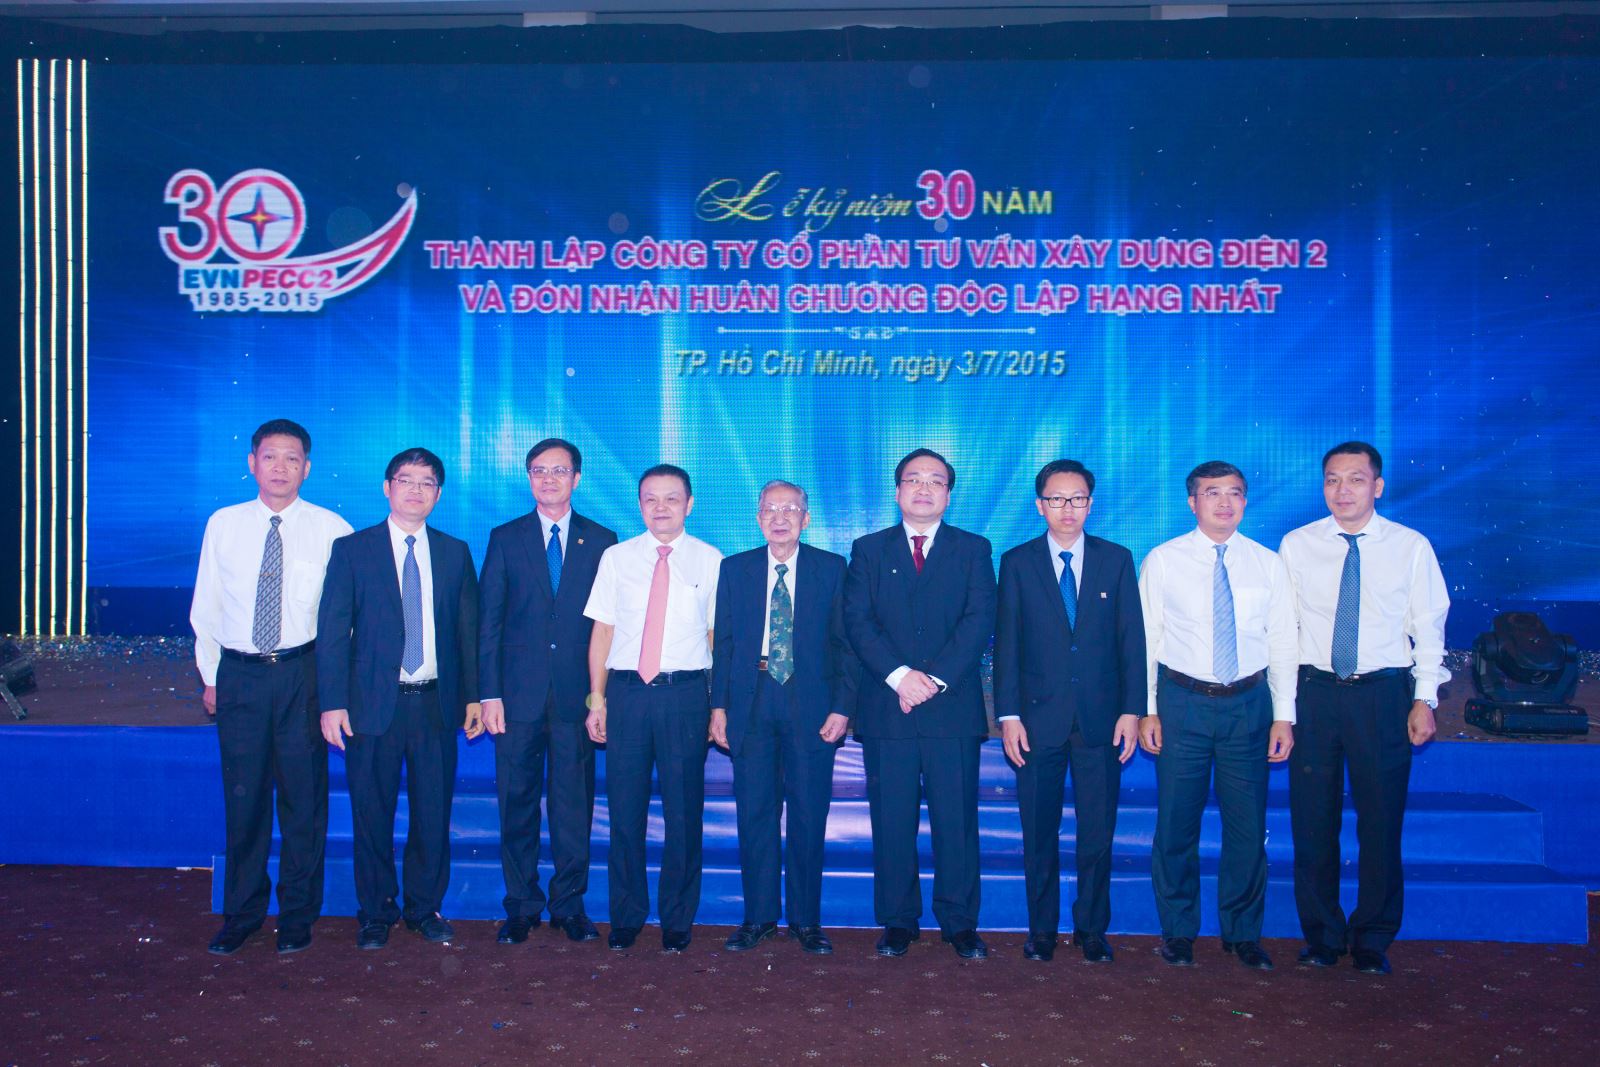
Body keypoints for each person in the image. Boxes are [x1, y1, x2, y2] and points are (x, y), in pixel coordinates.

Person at [1279, 441, 1447, 976]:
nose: (1342, 490)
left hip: (1383, 694)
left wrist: (1424, 698)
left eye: (1355, 479)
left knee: (1380, 821)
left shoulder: (1410, 546)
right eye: (1332, 479)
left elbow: (1429, 627)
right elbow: (1284, 630)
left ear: (1378, 486)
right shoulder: (1298, 545)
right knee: (1312, 821)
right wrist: (1282, 707)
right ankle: (1322, 936)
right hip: (1315, 693)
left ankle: (1373, 936)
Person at [191, 418, 353, 955]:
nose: (280, 467)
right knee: (245, 800)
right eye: (270, 456)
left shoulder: (332, 529)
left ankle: (298, 916)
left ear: (307, 467)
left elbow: (343, 620)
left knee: (304, 802)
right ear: (252, 463)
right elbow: (206, 607)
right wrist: (211, 675)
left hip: (302, 677)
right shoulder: (224, 524)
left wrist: (335, 689)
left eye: (291, 458)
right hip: (239, 676)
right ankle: (242, 913)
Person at [315, 448, 479, 948]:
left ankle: (424, 908)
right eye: (405, 480)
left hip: (434, 703)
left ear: (438, 494)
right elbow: (331, 631)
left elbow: (467, 634)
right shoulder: (353, 549)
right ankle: (375, 912)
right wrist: (332, 702)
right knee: (372, 813)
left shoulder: (455, 553)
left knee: (432, 813)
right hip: (370, 704)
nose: (415, 490)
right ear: (387, 488)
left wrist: (473, 698)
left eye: (426, 482)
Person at [1138, 460, 1297, 971]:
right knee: (1176, 823)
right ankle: (1178, 931)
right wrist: (1147, 710)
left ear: (1245, 501)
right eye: (1212, 493)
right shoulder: (1163, 560)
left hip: (1249, 704)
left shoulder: (1268, 564)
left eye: (1234, 493)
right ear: (1192, 502)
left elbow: (1283, 641)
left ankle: (1243, 933)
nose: (1224, 503)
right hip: (1181, 702)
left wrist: (1283, 715)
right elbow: (1147, 640)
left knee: (1247, 826)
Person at [843, 448, 997, 959]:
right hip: (888, 707)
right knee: (892, 821)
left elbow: (979, 620)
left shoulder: (974, 549)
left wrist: (932, 679)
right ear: (897, 492)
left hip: (951, 708)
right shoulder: (868, 550)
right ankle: (898, 920)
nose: (924, 488)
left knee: (957, 822)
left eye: (936, 480)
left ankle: (959, 922)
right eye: (914, 479)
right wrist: (899, 677)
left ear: (949, 494)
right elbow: (858, 621)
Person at [993, 459, 1146, 964]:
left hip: (1102, 720)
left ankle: (1091, 928)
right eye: (1056, 499)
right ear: (1040, 506)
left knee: (1097, 833)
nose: (1067, 508)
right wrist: (1008, 716)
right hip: (1037, 722)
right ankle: (1041, 930)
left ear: (1090, 504)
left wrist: (1132, 710)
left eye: (1077, 498)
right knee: (1039, 832)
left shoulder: (1116, 559)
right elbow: (1007, 645)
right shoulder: (1017, 562)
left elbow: (1132, 641)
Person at [478, 439, 618, 945]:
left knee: (572, 807)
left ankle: (569, 905)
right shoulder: (505, 537)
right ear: (529, 478)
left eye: (559, 471)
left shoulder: (602, 540)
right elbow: (489, 622)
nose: (549, 479)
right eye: (539, 470)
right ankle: (520, 905)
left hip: (576, 696)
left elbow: (608, 625)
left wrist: (601, 696)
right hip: (516, 697)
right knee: (516, 803)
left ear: (576, 478)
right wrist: (489, 693)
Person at [710, 480, 857, 955]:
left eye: (790, 509)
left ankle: (805, 920)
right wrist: (718, 706)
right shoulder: (735, 569)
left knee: (809, 813)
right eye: (770, 509)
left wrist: (842, 706)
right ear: (758, 518)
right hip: (750, 701)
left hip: (811, 703)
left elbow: (846, 644)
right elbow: (724, 644)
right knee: (754, 813)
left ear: (805, 519)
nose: (779, 517)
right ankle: (758, 917)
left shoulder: (831, 569)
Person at [583, 464, 721, 953]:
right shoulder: (616, 558)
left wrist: (717, 705)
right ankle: (626, 915)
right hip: (626, 694)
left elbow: (716, 637)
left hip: (685, 695)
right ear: (639, 504)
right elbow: (602, 632)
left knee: (684, 812)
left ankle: (678, 919)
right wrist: (596, 699)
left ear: (689, 504)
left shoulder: (711, 560)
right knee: (624, 812)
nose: (661, 508)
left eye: (671, 498)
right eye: (650, 499)